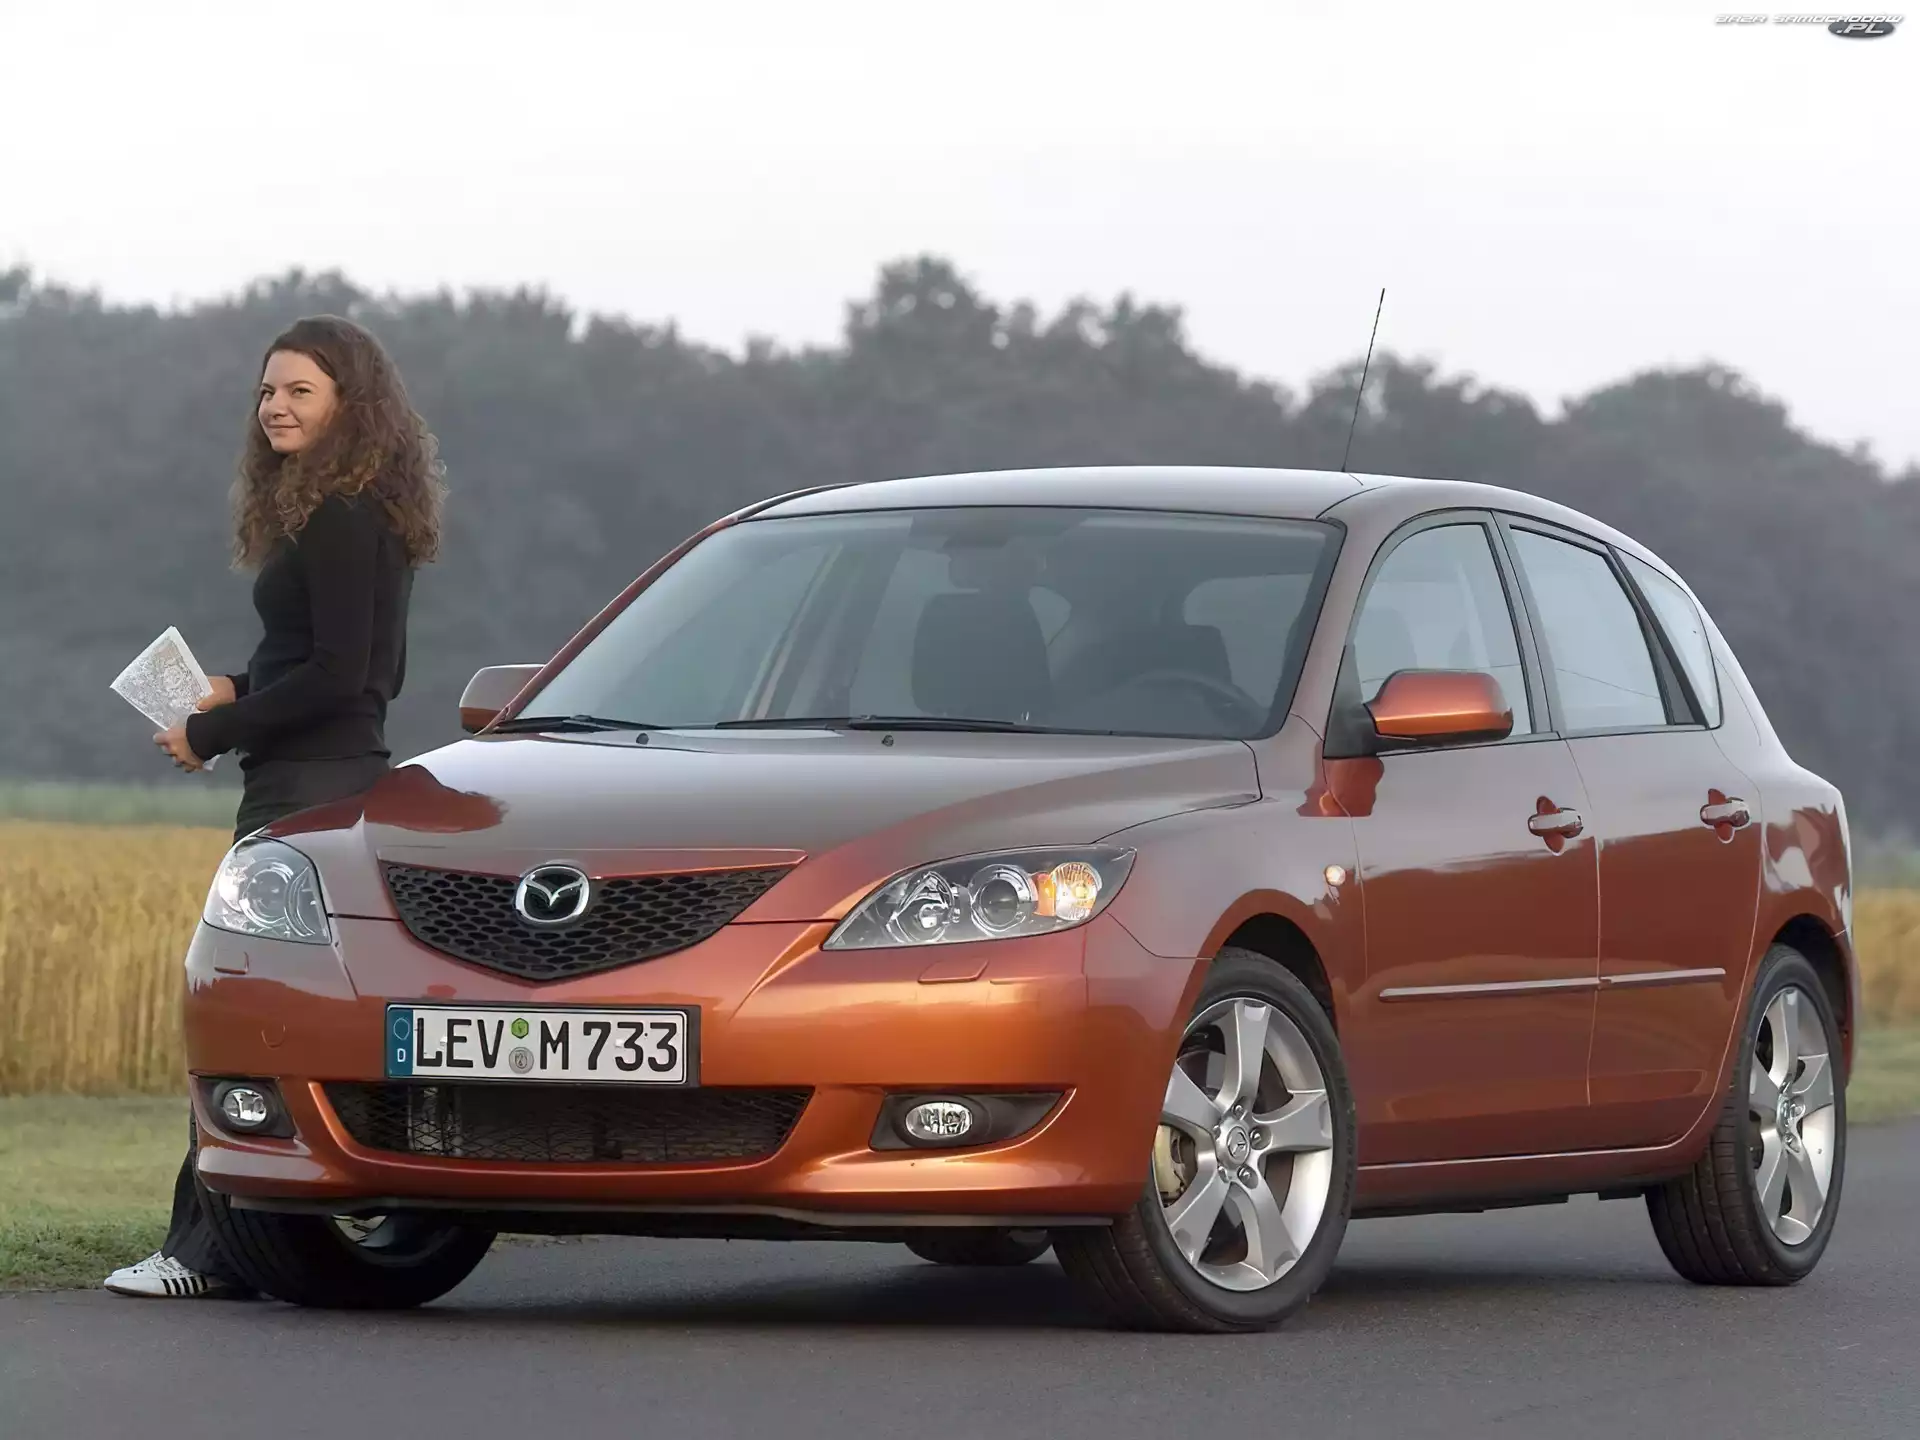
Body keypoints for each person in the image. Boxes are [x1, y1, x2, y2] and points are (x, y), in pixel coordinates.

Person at [103, 314, 446, 1298]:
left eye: (300, 390)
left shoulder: (337, 515)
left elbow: (342, 677)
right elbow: (345, 666)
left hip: (306, 783)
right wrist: (235, 686)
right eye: (267, 391)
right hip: (332, 771)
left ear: (350, 402)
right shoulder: (362, 510)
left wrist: (212, 730)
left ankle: (202, 1254)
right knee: (297, 1009)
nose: (276, 407)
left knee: (250, 1007)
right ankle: (251, 1242)